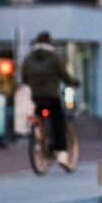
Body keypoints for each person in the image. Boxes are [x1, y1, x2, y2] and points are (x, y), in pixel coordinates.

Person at [21, 32, 79, 168]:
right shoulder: (54, 58)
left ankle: (39, 135)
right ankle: (62, 152)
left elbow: (24, 78)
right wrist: (74, 82)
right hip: (52, 96)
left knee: (39, 114)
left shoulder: (29, 59)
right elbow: (64, 75)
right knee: (58, 120)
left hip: (36, 96)